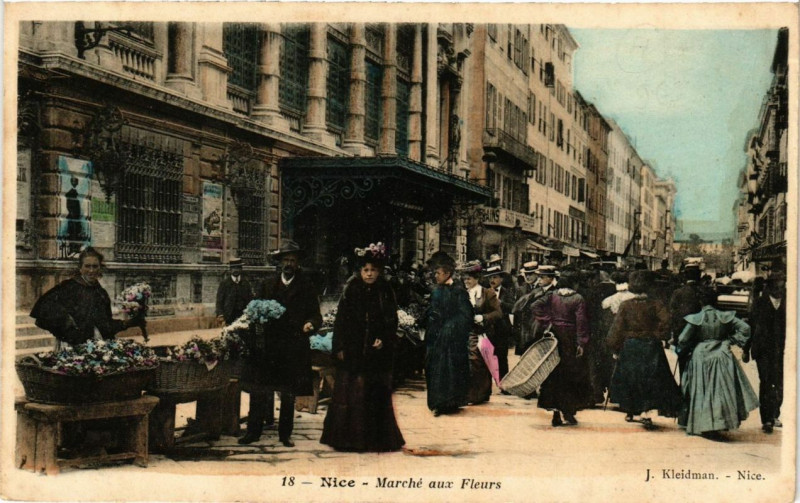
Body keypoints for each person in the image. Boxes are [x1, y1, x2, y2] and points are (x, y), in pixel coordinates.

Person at [320, 243, 405, 452]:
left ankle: (375, 440)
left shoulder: (385, 290)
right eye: (366, 270)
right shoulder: (351, 288)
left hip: (376, 353)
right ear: (360, 271)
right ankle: (348, 439)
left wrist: (383, 338)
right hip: (353, 349)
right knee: (352, 392)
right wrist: (339, 345)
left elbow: (391, 320)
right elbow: (340, 320)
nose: (369, 274)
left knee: (374, 392)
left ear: (379, 271)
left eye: (373, 270)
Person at [239, 240, 322, 447]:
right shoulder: (267, 284)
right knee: (259, 390)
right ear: (279, 262)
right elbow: (254, 309)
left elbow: (316, 315)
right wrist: (255, 319)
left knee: (287, 392)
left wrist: (310, 324)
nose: (289, 264)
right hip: (268, 346)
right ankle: (253, 432)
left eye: (293, 260)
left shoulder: (306, 286)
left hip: (293, 346)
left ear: (298, 263)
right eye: (285, 259)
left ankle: (285, 434)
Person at [677, 288, 759, 437]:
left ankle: (702, 423)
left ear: (701, 301)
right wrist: (731, 340)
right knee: (719, 389)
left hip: (701, 354)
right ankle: (719, 422)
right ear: (715, 301)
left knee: (702, 389)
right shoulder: (724, 316)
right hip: (721, 352)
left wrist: (685, 347)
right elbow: (745, 328)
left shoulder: (696, 318)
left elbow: (682, 339)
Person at [606, 271, 682, 428]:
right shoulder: (656, 304)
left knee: (631, 378)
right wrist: (658, 335)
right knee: (650, 379)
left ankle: (631, 410)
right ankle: (646, 413)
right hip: (650, 345)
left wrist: (614, 345)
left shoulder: (626, 305)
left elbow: (617, 328)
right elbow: (667, 323)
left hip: (630, 346)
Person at [31, 247, 144, 347]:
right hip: (71, 346)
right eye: (87, 266)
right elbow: (43, 309)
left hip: (96, 346)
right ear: (80, 268)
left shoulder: (101, 293)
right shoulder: (68, 287)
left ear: (100, 268)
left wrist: (128, 323)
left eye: (95, 266)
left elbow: (106, 325)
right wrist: (65, 321)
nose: (91, 270)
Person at [532, 272, 591, 426]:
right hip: (570, 339)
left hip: (554, 336)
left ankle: (555, 413)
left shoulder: (552, 296)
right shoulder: (578, 298)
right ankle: (569, 412)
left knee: (553, 374)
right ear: (574, 284)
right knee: (570, 376)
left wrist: (548, 321)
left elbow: (535, 305)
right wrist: (581, 342)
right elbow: (581, 322)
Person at [424, 251, 473, 416]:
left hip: (452, 339)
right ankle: (438, 403)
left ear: (447, 273)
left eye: (437, 273)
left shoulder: (459, 291)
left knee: (449, 369)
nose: (435, 276)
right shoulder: (437, 289)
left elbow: (466, 314)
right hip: (435, 335)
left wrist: (451, 326)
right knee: (434, 368)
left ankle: (449, 402)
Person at [744, 272, 786, 433]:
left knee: (779, 382)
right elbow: (752, 327)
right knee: (766, 382)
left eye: (781, 285)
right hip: (763, 350)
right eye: (777, 285)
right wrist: (746, 349)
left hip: (780, 350)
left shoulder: (788, 303)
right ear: (770, 286)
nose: (779, 289)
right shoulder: (760, 303)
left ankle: (775, 414)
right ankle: (767, 419)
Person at [460, 262, 502, 405]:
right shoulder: (461, 293)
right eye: (464, 279)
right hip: (464, 332)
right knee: (470, 362)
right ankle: (475, 393)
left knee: (478, 362)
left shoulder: (487, 293)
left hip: (481, 333)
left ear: (477, 279)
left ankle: (479, 394)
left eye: (469, 279)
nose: (466, 281)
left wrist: (483, 317)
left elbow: (498, 313)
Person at [511, 265, 558, 355]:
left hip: (542, 330)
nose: (539, 279)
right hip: (528, 331)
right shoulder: (536, 291)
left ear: (551, 278)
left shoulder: (554, 292)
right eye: (539, 277)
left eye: (542, 277)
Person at [668, 265, 704, 373]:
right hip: (701, 333)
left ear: (685, 277)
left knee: (683, 364)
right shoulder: (704, 291)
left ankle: (684, 387)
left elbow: (673, 314)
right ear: (699, 276)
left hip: (682, 331)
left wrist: (674, 335)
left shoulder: (678, 292)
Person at [486, 265, 514, 381]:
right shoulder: (484, 292)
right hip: (488, 328)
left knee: (502, 357)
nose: (492, 280)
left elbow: (512, 307)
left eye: (495, 277)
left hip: (502, 329)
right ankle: (486, 385)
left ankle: (504, 383)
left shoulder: (507, 292)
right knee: (487, 356)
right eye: (490, 278)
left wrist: (500, 302)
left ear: (501, 279)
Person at [215, 257, 254, 326]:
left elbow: (250, 300)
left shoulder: (245, 283)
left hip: (243, 316)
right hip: (229, 316)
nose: (235, 270)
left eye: (237, 268)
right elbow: (219, 301)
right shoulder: (224, 283)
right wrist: (220, 314)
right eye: (233, 268)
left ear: (241, 269)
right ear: (230, 270)